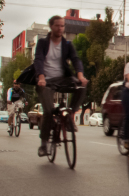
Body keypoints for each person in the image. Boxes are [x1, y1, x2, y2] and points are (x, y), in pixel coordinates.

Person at [33, 15, 88, 157]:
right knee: (49, 112)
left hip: (63, 79)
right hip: (46, 81)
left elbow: (76, 60)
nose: (60, 28)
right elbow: (38, 60)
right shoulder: (43, 43)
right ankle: (44, 144)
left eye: (62, 26)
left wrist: (80, 76)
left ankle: (71, 115)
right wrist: (41, 77)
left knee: (81, 87)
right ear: (51, 26)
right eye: (57, 25)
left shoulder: (68, 45)